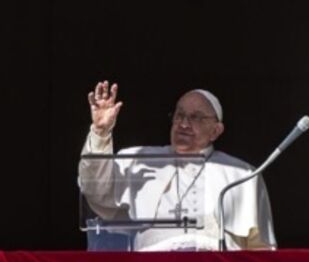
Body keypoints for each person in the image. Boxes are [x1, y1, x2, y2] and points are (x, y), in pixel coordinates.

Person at [78, 83, 276, 251]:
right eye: (179, 115)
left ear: (216, 130)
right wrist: (100, 132)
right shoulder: (139, 160)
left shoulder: (241, 173)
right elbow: (95, 190)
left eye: (196, 117)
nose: (184, 124)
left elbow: (260, 248)